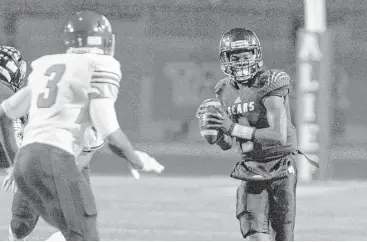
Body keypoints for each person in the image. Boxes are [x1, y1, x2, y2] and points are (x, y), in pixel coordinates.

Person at [0, 10, 163, 241]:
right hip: (59, 155)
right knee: (80, 233)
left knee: (24, 226)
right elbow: (109, 131)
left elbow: (5, 114)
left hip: (33, 156)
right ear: (107, 41)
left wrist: (15, 162)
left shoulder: (48, 66)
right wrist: (136, 158)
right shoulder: (100, 67)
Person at [196, 28, 316, 241]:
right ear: (226, 59)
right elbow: (228, 143)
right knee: (255, 235)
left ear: (256, 55)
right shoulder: (223, 90)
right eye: (235, 57)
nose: (241, 62)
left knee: (282, 237)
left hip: (280, 166)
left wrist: (231, 127)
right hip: (251, 169)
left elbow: (278, 134)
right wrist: (215, 133)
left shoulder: (270, 81)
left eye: (246, 56)